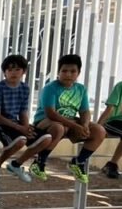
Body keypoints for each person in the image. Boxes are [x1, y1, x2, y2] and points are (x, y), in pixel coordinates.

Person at [32, 53, 106, 184]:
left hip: (70, 122)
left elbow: (84, 111)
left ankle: (78, 162)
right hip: (46, 121)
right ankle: (39, 162)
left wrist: (84, 125)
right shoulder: (50, 88)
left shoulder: (81, 89)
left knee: (99, 131)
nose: (68, 74)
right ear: (58, 72)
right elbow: (51, 114)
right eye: (64, 71)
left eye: (73, 71)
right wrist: (75, 126)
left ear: (78, 73)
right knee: (59, 128)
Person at [0, 54, 58, 182]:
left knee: (46, 138)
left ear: (24, 71)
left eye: (17, 69)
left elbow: (23, 111)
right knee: (20, 140)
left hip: (16, 123)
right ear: (4, 72)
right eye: (10, 69)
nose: (13, 73)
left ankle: (16, 164)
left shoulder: (25, 88)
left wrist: (26, 127)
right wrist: (20, 128)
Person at [97, 75, 122, 179]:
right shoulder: (120, 86)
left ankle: (111, 165)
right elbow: (110, 109)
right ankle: (112, 164)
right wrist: (98, 126)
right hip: (114, 121)